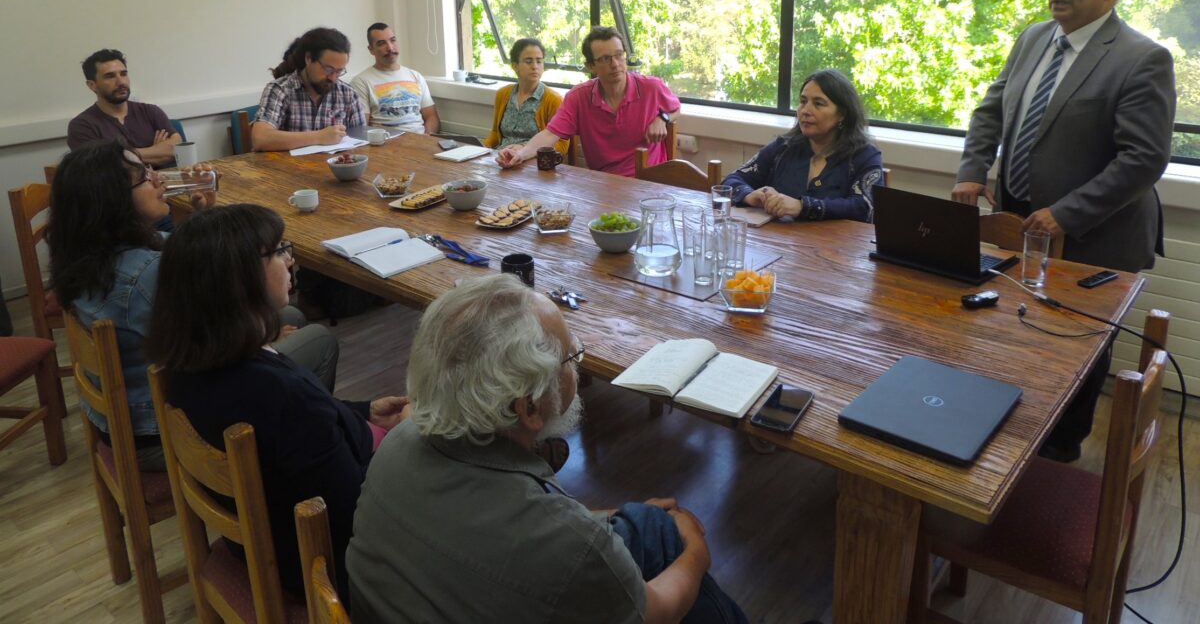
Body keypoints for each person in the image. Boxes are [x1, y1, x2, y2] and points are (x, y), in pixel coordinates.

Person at [347, 273, 747, 624]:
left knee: (644, 523)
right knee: (664, 534)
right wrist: (696, 550)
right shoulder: (568, 548)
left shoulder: (397, 444)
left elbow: (490, 524)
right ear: (529, 408)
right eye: (570, 358)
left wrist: (605, 517)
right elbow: (655, 613)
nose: (576, 367)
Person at [952, 0, 1175, 461]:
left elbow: (1144, 159)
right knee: (1018, 332)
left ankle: (1058, 458)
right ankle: (1010, 439)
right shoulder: (1033, 38)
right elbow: (991, 110)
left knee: (1076, 350)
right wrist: (973, 170)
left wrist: (1067, 214)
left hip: (1098, 237)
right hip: (1020, 223)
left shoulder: (1141, 58)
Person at [145, 203, 408, 597]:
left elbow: (302, 432)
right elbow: (356, 513)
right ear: (240, 278)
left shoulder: (188, 363)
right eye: (279, 250)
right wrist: (408, 442)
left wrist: (364, 411)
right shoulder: (281, 396)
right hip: (320, 567)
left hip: (259, 543)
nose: (290, 260)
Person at [47, 143, 340, 471]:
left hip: (123, 416)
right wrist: (265, 341)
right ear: (112, 201)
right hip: (164, 430)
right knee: (319, 340)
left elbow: (184, 264)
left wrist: (201, 218)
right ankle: (306, 457)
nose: (158, 179)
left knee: (290, 315)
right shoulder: (145, 275)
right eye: (143, 176)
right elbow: (211, 349)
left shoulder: (88, 256)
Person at [496, 26, 680, 177]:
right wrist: (520, 154)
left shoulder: (651, 87)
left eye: (619, 55)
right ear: (591, 66)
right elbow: (550, 134)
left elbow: (675, 108)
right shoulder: (579, 97)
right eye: (605, 59)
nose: (615, 64)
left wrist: (662, 118)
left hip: (650, 182)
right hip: (603, 182)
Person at [723, 69, 883, 222]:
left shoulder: (865, 156)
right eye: (803, 101)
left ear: (842, 114)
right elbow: (732, 180)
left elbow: (865, 207)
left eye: (818, 103)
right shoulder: (783, 148)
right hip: (780, 239)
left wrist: (803, 206)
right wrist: (750, 195)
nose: (805, 111)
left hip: (837, 241)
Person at [252, 27, 366, 151]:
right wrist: (319, 137)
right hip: (289, 163)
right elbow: (260, 139)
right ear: (308, 59)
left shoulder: (348, 94)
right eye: (328, 69)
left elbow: (361, 141)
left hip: (336, 163)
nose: (333, 78)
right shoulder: (280, 90)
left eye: (339, 71)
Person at [68, 49, 180, 166]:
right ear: (92, 85)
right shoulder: (82, 125)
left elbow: (176, 148)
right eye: (110, 76)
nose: (121, 82)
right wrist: (156, 151)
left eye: (123, 74)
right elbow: (99, 167)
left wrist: (120, 155)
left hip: (165, 178)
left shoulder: (150, 111)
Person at [350, 22, 440, 134]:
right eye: (381, 43)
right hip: (386, 142)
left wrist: (427, 138)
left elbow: (431, 117)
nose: (390, 47)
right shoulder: (361, 82)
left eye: (393, 40)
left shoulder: (415, 76)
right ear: (371, 49)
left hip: (420, 139)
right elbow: (362, 127)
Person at [482, 37, 567, 153]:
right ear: (515, 66)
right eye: (528, 61)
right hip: (501, 156)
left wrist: (525, 148)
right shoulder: (503, 94)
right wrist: (482, 148)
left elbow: (562, 144)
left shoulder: (553, 99)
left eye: (539, 61)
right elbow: (495, 134)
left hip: (533, 160)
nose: (535, 66)